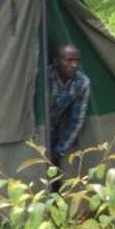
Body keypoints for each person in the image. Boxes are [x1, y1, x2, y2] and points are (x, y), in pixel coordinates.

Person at [47, 42, 91, 176]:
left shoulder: (81, 82)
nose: (74, 65)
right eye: (69, 60)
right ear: (56, 62)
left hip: (55, 130)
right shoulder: (44, 77)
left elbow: (77, 121)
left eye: (77, 60)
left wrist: (58, 151)